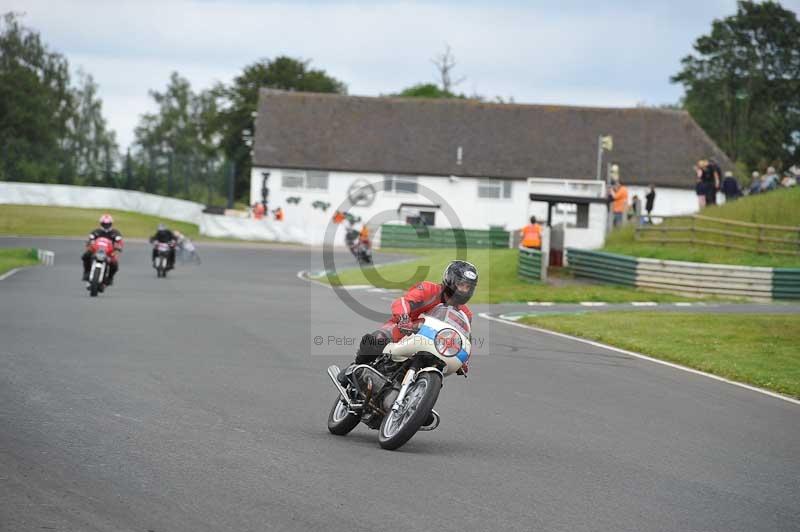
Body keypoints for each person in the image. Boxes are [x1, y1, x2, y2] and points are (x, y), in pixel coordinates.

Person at [338, 260, 478, 385]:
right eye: (461, 285)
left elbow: (464, 338)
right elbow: (403, 301)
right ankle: (355, 367)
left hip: (434, 344)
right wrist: (404, 319)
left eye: (468, 287)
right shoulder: (428, 289)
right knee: (377, 339)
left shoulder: (465, 313)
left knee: (427, 412)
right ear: (450, 280)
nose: (464, 290)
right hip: (404, 329)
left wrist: (464, 361)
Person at [82, 214, 124, 283]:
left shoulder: (115, 233)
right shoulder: (96, 232)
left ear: (111, 224)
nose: (106, 226)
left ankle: (110, 278)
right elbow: (90, 239)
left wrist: (119, 247)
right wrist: (89, 243)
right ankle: (86, 272)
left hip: (109, 252)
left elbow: (120, 242)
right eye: (104, 224)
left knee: (115, 265)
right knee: (85, 256)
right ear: (101, 224)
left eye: (108, 224)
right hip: (95, 250)